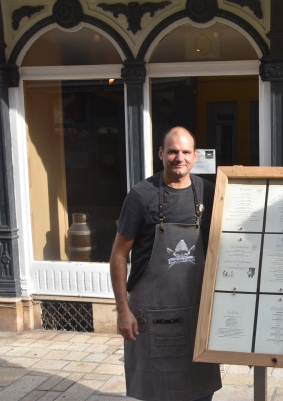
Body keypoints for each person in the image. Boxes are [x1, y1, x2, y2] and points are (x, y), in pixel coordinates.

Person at [109, 127, 221, 401]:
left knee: (199, 395)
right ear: (161, 153)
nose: (178, 157)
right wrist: (123, 310)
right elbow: (118, 255)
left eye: (185, 152)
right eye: (172, 151)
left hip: (197, 321)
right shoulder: (140, 196)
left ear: (195, 156)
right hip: (151, 320)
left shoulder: (211, 193)